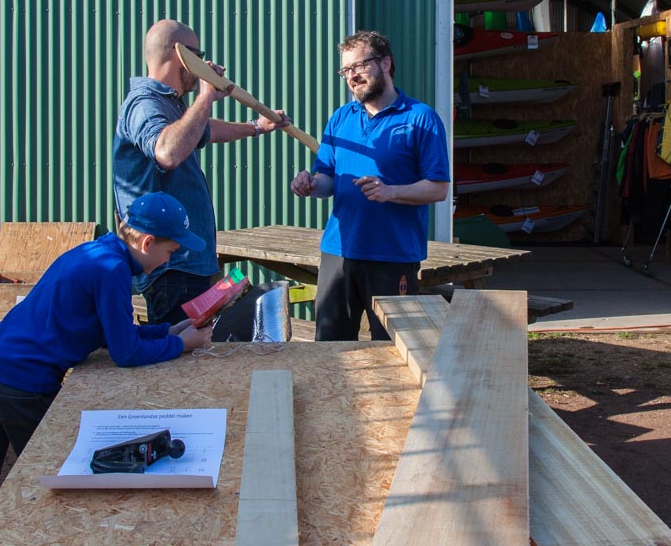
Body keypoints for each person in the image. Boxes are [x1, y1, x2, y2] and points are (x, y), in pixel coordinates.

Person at [0, 192, 215, 546]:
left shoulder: (99, 253)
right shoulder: (111, 270)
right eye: (169, 251)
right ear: (147, 242)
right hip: (23, 385)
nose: (170, 259)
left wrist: (169, 331)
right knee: (59, 481)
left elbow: (116, 333)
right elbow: (125, 353)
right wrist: (181, 346)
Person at [113, 18, 288, 324]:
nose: (205, 63)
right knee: (178, 361)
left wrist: (257, 127)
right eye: (198, 54)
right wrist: (205, 94)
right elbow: (167, 152)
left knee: (197, 352)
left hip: (187, 263)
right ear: (181, 55)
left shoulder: (173, 106)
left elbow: (204, 130)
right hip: (172, 267)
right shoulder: (145, 104)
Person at [290, 30, 450, 340]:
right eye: (346, 70)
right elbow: (327, 180)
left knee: (393, 351)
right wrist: (310, 184)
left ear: (386, 63)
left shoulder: (421, 118)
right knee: (330, 349)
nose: (352, 76)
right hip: (339, 252)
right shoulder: (340, 118)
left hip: (392, 256)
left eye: (359, 66)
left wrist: (391, 191)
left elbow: (438, 188)